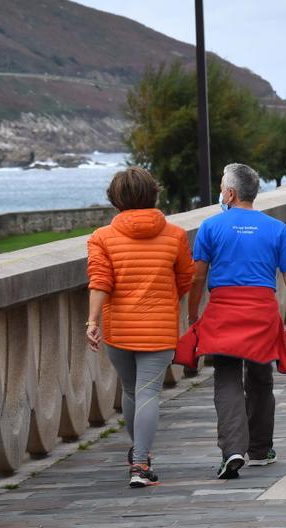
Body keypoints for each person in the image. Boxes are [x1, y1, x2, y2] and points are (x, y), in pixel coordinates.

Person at [179, 163, 286, 480]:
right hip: (262, 311)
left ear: (231, 193)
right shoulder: (276, 228)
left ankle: (232, 450)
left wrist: (193, 313)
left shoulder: (211, 227)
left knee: (226, 375)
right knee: (260, 375)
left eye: (223, 187)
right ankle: (259, 448)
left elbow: (197, 278)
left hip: (224, 310)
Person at [85, 167, 194, 488]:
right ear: (153, 194)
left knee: (131, 391)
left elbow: (100, 282)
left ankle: (139, 454)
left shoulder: (101, 237)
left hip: (119, 329)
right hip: (160, 328)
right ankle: (141, 463)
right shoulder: (174, 235)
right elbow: (185, 279)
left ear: (115, 199)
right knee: (148, 393)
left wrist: (92, 321)